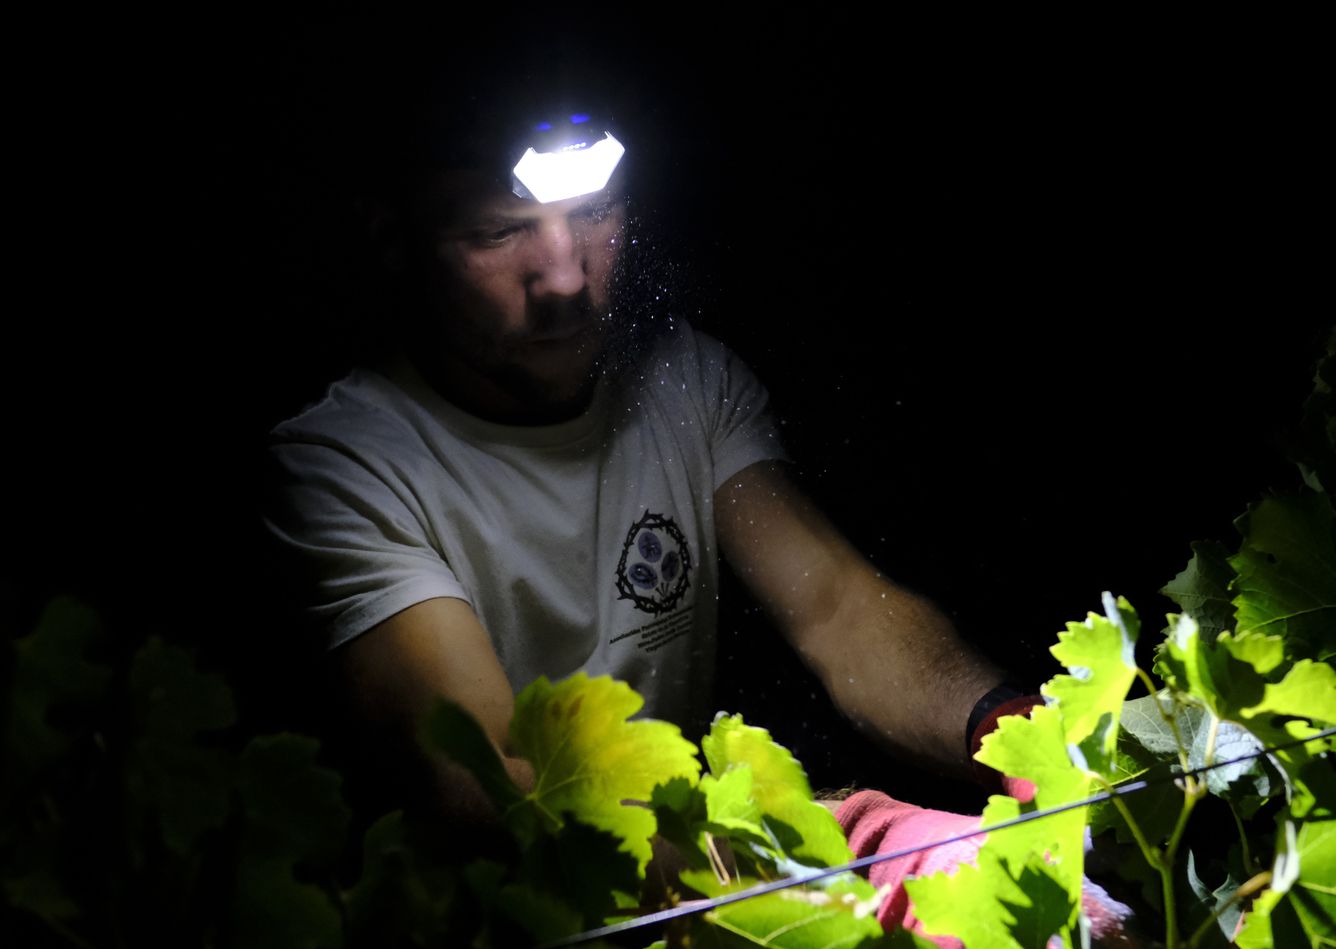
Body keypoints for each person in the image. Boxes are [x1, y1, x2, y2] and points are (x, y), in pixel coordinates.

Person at [262, 93, 1028, 820]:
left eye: (593, 212)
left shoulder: (684, 379)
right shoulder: (343, 465)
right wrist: (825, 863)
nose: (566, 277)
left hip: (692, 899)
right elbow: (491, 778)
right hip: (499, 943)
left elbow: (840, 609)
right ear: (395, 244)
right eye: (500, 232)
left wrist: (1021, 737)